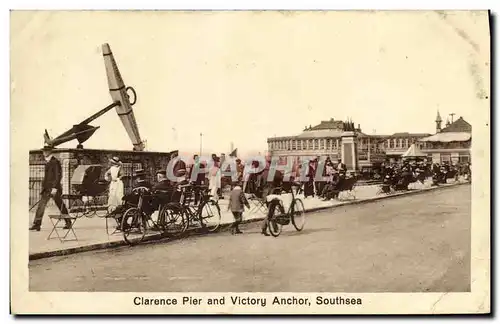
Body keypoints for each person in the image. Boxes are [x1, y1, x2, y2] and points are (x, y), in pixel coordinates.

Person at [30, 145, 72, 231]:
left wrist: (55, 188)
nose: (44, 152)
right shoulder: (48, 161)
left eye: (46, 151)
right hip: (46, 189)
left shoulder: (55, 162)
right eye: (43, 151)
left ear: (50, 151)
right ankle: (37, 224)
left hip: (53, 189)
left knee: (60, 205)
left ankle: (68, 222)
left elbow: (58, 176)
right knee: (41, 205)